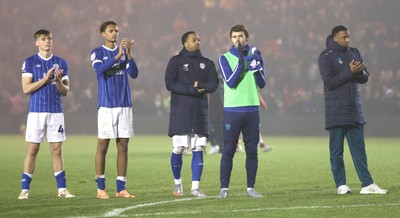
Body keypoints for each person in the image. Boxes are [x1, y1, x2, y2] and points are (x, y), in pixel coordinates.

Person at [318, 25, 388, 195]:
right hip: (336, 110)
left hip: (354, 110)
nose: (347, 40)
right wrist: (350, 72)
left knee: (359, 150)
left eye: (348, 36)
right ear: (335, 37)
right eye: (344, 37)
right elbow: (329, 83)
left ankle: (367, 183)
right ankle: (341, 185)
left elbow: (365, 77)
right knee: (337, 151)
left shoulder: (354, 52)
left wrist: (358, 72)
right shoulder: (325, 56)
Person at [18, 29, 75, 199]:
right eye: (43, 39)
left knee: (57, 150)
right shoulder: (29, 62)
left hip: (56, 112)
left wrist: (57, 80)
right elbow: (26, 89)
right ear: (37, 43)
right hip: (36, 112)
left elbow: (65, 91)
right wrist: (46, 78)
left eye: (49, 38)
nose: (47, 41)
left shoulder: (61, 62)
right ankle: (24, 190)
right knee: (33, 149)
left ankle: (62, 190)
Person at [165, 31, 219, 197]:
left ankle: (195, 188)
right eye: (194, 40)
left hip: (200, 112)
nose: (198, 42)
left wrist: (202, 86)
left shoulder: (207, 63)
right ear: (185, 44)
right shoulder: (175, 62)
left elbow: (214, 83)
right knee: (179, 148)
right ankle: (177, 185)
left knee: (198, 148)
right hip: (181, 111)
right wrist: (191, 89)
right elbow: (169, 83)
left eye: (199, 39)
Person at [90, 20, 139, 199]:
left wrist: (129, 54)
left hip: (124, 104)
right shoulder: (97, 52)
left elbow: (133, 74)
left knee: (123, 146)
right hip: (106, 106)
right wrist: (118, 56)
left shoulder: (124, 53)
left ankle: (120, 188)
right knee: (103, 145)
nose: (115, 34)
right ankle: (101, 188)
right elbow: (99, 70)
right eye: (111, 31)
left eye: (116, 31)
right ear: (103, 34)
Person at [218, 24, 267, 198]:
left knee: (252, 151)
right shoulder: (224, 58)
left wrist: (256, 68)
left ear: (246, 37)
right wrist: (241, 61)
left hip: (252, 110)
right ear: (230, 39)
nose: (237, 39)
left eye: (240, 36)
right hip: (232, 111)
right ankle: (224, 189)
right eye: (234, 36)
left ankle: (250, 189)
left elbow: (262, 83)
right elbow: (231, 82)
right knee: (229, 150)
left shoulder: (256, 56)